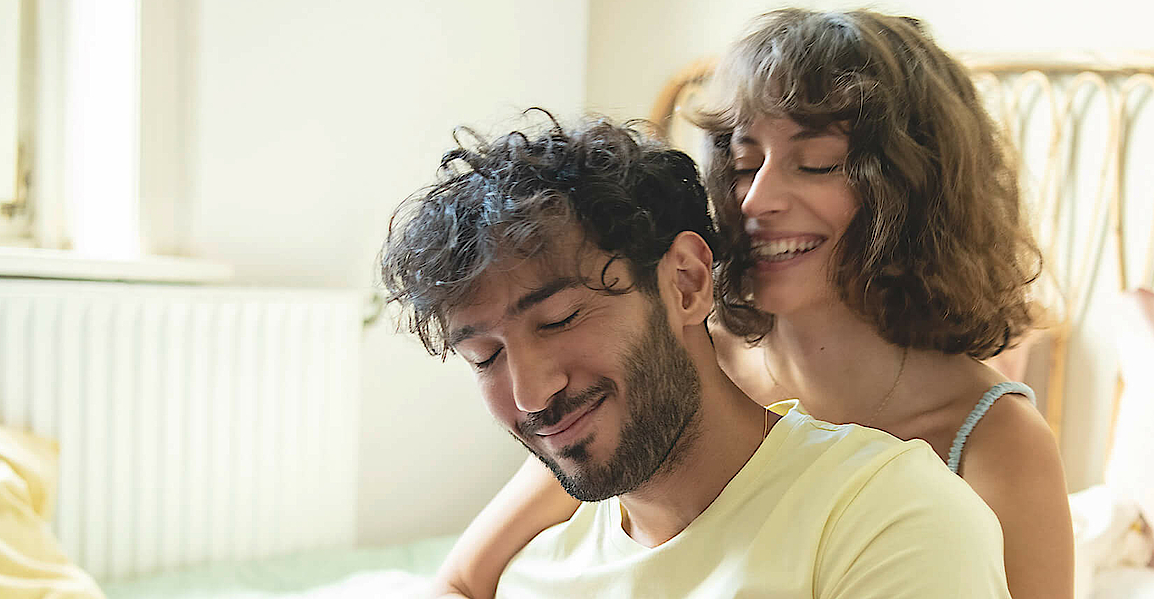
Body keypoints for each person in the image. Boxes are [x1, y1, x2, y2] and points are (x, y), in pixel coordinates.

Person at [429, 8, 1073, 599]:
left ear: (910, 190)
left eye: (816, 163)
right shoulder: (680, 376)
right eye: (743, 162)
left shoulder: (987, 442)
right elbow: (463, 578)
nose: (757, 200)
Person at [379, 114, 1011, 598]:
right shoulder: (535, 563)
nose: (531, 394)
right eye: (485, 356)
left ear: (684, 282)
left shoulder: (881, 511)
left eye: (560, 319)